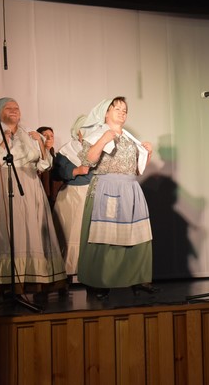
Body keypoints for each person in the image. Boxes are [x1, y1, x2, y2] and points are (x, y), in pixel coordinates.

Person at [0, 97, 67, 301]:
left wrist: (40, 144)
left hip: (30, 185)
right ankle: (7, 286)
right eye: (9, 108)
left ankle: (31, 281)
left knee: (30, 232)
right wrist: (1, 143)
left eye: (17, 107)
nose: (14, 110)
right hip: (3, 185)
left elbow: (44, 165)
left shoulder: (28, 134)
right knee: (7, 232)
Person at [77, 97, 158, 299]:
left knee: (136, 236)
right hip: (107, 187)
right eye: (117, 108)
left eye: (125, 110)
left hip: (130, 188)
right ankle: (99, 282)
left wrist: (148, 154)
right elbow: (88, 161)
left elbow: (137, 170)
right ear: (106, 113)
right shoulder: (96, 135)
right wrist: (104, 139)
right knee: (105, 237)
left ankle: (138, 279)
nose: (122, 112)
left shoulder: (130, 139)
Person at [52, 115, 92, 280]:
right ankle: (65, 277)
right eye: (85, 129)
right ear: (77, 131)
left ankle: (92, 276)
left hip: (93, 195)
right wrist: (75, 171)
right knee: (70, 235)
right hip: (72, 197)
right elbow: (56, 173)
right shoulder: (67, 150)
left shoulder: (99, 149)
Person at [36, 126, 63, 208]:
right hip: (39, 191)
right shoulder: (35, 155)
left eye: (51, 136)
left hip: (53, 193)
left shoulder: (56, 155)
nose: (49, 138)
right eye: (45, 135)